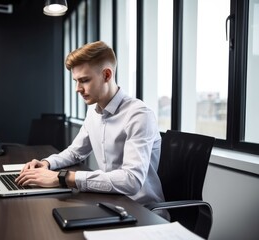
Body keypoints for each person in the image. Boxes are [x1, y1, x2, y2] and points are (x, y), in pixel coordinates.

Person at [15, 41, 166, 218]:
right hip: (111, 203)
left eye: (84, 80)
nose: (78, 89)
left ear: (107, 75)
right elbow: (75, 153)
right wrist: (47, 163)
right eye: (76, 81)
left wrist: (62, 178)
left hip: (143, 211)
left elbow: (131, 180)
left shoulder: (139, 115)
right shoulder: (93, 113)